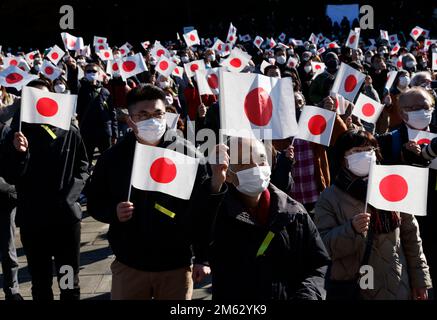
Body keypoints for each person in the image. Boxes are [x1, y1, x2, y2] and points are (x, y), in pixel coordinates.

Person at [85, 84, 212, 300]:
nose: (152, 120)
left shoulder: (189, 155)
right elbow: (95, 201)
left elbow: (203, 212)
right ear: (130, 119)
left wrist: (203, 257)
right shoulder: (113, 158)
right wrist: (113, 212)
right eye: (143, 115)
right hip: (129, 264)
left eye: (157, 113)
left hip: (176, 265)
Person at [207, 137, 330, 300]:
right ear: (228, 174)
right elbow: (198, 236)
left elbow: (318, 264)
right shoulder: (218, 213)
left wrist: (307, 296)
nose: (257, 168)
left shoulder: (293, 212)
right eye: (245, 164)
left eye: (261, 161)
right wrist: (214, 188)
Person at [315, 129, 432, 300]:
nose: (363, 155)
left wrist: (420, 280)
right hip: (357, 286)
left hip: (397, 282)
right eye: (355, 152)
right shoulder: (329, 197)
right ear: (343, 159)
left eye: (368, 150)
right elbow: (322, 247)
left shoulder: (393, 184)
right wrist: (351, 230)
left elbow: (411, 236)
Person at [1, 79, 89, 300]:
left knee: (68, 280)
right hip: (33, 222)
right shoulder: (17, 133)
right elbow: (11, 175)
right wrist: (20, 154)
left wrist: (71, 196)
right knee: (40, 282)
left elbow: (83, 166)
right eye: (33, 97)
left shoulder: (69, 130)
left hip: (66, 221)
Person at [376, 87, 437, 298]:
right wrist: (405, 158)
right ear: (402, 113)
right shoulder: (387, 141)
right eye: (414, 107)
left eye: (425, 106)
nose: (421, 111)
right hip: (407, 224)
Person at [76, 63, 118, 166]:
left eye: (94, 71)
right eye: (88, 71)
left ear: (99, 73)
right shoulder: (80, 89)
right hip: (87, 132)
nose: (91, 73)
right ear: (84, 74)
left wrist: (115, 133)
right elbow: (73, 83)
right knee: (85, 161)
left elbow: (113, 113)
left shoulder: (105, 91)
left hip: (105, 132)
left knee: (107, 161)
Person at [0, 121, 23, 300]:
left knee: (7, 246)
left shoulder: (6, 132)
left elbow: (14, 168)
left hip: (3, 198)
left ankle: (12, 290)